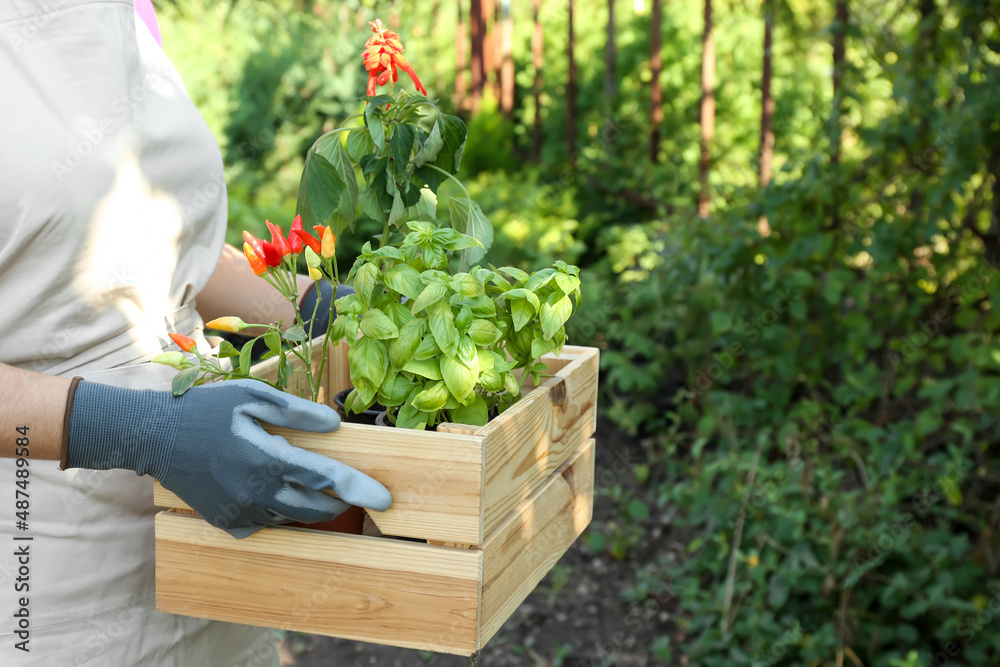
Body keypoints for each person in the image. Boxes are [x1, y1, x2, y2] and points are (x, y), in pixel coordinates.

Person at [0, 1, 390, 665]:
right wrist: (130, 428)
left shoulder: (122, 11)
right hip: (45, 575)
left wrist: (325, 308)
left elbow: (164, 252)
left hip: (213, 542)